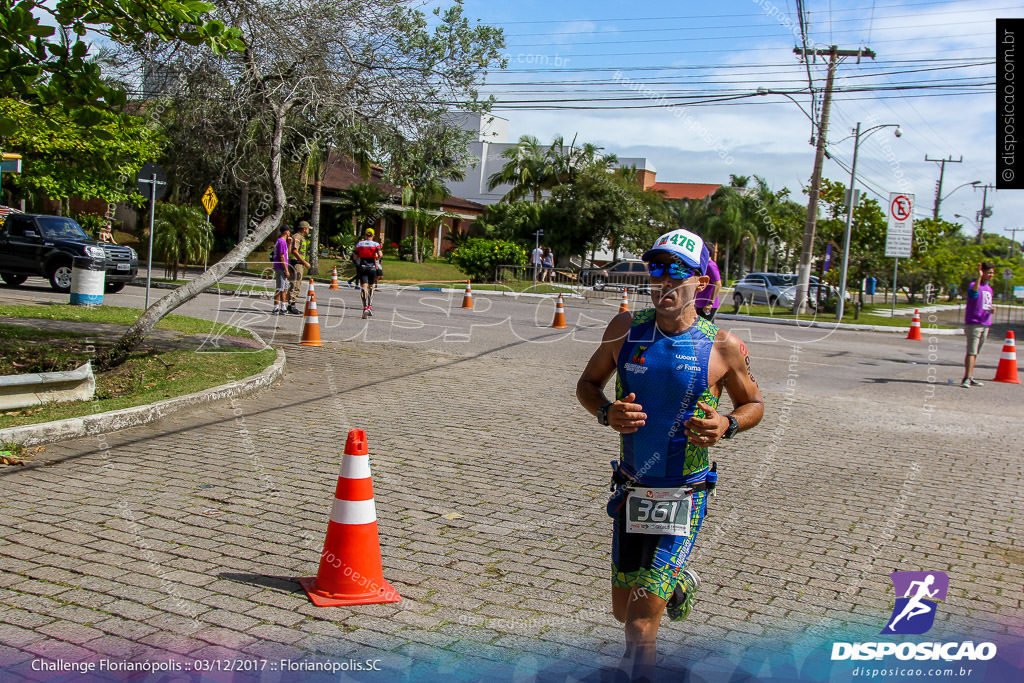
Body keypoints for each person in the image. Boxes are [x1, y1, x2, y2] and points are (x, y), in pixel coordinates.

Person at [576, 228, 764, 681]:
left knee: (642, 624)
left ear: (699, 282)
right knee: (623, 611)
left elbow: (754, 404)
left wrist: (727, 424)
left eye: (675, 271)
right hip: (631, 491)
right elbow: (586, 385)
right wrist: (607, 413)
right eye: (655, 269)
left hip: (685, 496)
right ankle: (678, 585)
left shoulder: (722, 346)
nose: (662, 281)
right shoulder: (626, 329)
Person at [961, 262, 996, 388]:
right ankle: (966, 378)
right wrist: (979, 277)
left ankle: (970, 376)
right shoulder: (974, 285)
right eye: (989, 272)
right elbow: (973, 293)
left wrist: (992, 309)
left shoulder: (989, 289)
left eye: (992, 272)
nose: (991, 275)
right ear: (983, 272)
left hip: (985, 323)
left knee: (976, 352)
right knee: (971, 351)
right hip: (974, 323)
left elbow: (985, 304)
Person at [353, 228, 383, 319]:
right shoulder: (376, 244)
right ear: (373, 235)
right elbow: (380, 254)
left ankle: (365, 307)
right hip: (372, 268)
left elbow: (355, 256)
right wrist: (376, 258)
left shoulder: (360, 244)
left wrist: (359, 257)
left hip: (362, 267)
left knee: (364, 287)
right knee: (371, 286)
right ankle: (370, 306)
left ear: (365, 235)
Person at [286, 221, 312, 315]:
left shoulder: (301, 238)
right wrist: (305, 262)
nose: (309, 230)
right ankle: (291, 306)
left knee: (296, 284)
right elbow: (295, 251)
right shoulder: (297, 237)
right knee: (295, 284)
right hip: (296, 263)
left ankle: (290, 304)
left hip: (298, 264)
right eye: (308, 228)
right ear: (304, 229)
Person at [695, 245, 722, 320]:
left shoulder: (711, 265)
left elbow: (718, 284)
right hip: (700, 304)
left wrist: (710, 303)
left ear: (707, 252)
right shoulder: (704, 265)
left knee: (706, 329)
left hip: (707, 305)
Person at [271, 226, 291, 315]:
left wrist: (289, 244)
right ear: (286, 232)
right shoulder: (281, 242)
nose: (290, 233)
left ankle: (283, 307)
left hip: (281, 267)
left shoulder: (283, 242)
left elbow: (287, 254)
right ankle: (276, 308)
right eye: (289, 231)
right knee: (280, 288)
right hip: (280, 267)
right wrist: (286, 270)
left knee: (284, 288)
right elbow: (282, 257)